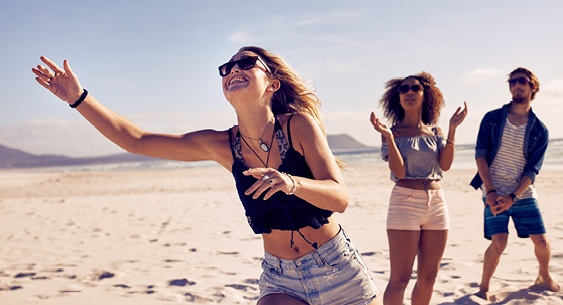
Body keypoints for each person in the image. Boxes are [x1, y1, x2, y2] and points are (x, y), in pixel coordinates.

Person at [32, 47, 380, 305]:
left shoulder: (298, 126)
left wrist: (291, 182)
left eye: (246, 63)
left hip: (336, 267)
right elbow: (134, 140)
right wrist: (78, 98)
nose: (233, 69)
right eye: (226, 67)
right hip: (281, 279)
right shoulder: (220, 144)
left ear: (272, 83)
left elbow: (340, 198)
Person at [369, 72, 467, 305]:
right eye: (404, 89)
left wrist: (452, 129)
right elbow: (400, 172)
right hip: (405, 202)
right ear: (398, 97)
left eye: (415, 88)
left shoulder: (436, 132)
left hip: (437, 202)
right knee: (400, 278)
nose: (409, 92)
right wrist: (389, 139)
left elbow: (445, 165)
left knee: (428, 277)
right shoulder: (392, 133)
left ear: (426, 96)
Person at [468, 67, 559, 301]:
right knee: (499, 242)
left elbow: (532, 170)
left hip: (523, 193)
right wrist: (490, 190)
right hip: (493, 190)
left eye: (522, 81)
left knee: (542, 241)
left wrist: (514, 197)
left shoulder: (540, 130)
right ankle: (484, 287)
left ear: (533, 87)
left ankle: (544, 276)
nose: (516, 85)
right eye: (512, 82)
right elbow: (480, 155)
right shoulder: (492, 119)